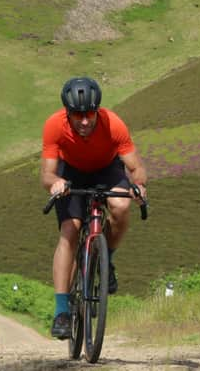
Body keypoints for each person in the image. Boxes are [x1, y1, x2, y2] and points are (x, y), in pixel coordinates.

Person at [40, 76, 148, 339]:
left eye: (90, 113)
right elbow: (47, 174)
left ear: (97, 110)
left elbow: (135, 168)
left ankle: (106, 258)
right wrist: (55, 184)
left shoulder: (114, 124)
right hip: (71, 173)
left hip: (107, 169)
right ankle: (62, 311)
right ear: (68, 113)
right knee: (71, 228)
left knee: (121, 206)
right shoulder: (54, 125)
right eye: (78, 115)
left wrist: (139, 186)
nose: (85, 121)